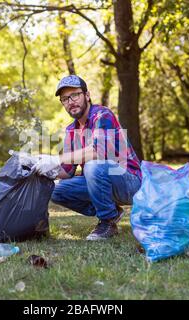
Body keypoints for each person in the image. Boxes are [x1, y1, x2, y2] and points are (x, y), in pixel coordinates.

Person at [34, 75, 142, 240]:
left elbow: (97, 151)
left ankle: (107, 221)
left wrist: (56, 159)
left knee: (93, 165)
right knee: (55, 190)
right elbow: (67, 171)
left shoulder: (102, 116)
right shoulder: (72, 130)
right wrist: (41, 169)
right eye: (65, 99)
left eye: (75, 95)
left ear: (87, 95)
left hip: (130, 182)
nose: (71, 101)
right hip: (101, 182)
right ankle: (112, 210)